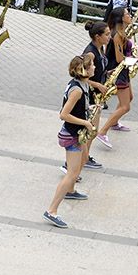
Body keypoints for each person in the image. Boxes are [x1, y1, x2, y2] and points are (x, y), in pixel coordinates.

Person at [43, 54, 97, 228]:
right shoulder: (78, 90)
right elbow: (63, 114)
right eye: (92, 66)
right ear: (84, 70)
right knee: (72, 173)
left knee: (84, 158)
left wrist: (88, 108)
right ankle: (51, 211)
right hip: (72, 135)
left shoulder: (83, 85)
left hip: (77, 132)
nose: (95, 67)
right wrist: (86, 122)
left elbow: (77, 108)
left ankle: (71, 191)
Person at [74, 21, 112, 173]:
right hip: (89, 96)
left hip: (97, 96)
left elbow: (98, 69)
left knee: (92, 131)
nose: (110, 37)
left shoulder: (100, 48)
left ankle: (85, 157)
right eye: (107, 34)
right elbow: (79, 76)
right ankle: (76, 161)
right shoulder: (90, 53)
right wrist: (98, 85)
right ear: (97, 36)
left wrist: (107, 74)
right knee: (89, 130)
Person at [95, 7, 134, 149]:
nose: (130, 15)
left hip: (122, 70)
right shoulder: (117, 35)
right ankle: (103, 131)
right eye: (127, 14)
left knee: (129, 97)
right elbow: (118, 58)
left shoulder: (121, 32)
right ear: (121, 18)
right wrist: (131, 58)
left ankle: (115, 122)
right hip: (117, 72)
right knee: (125, 106)